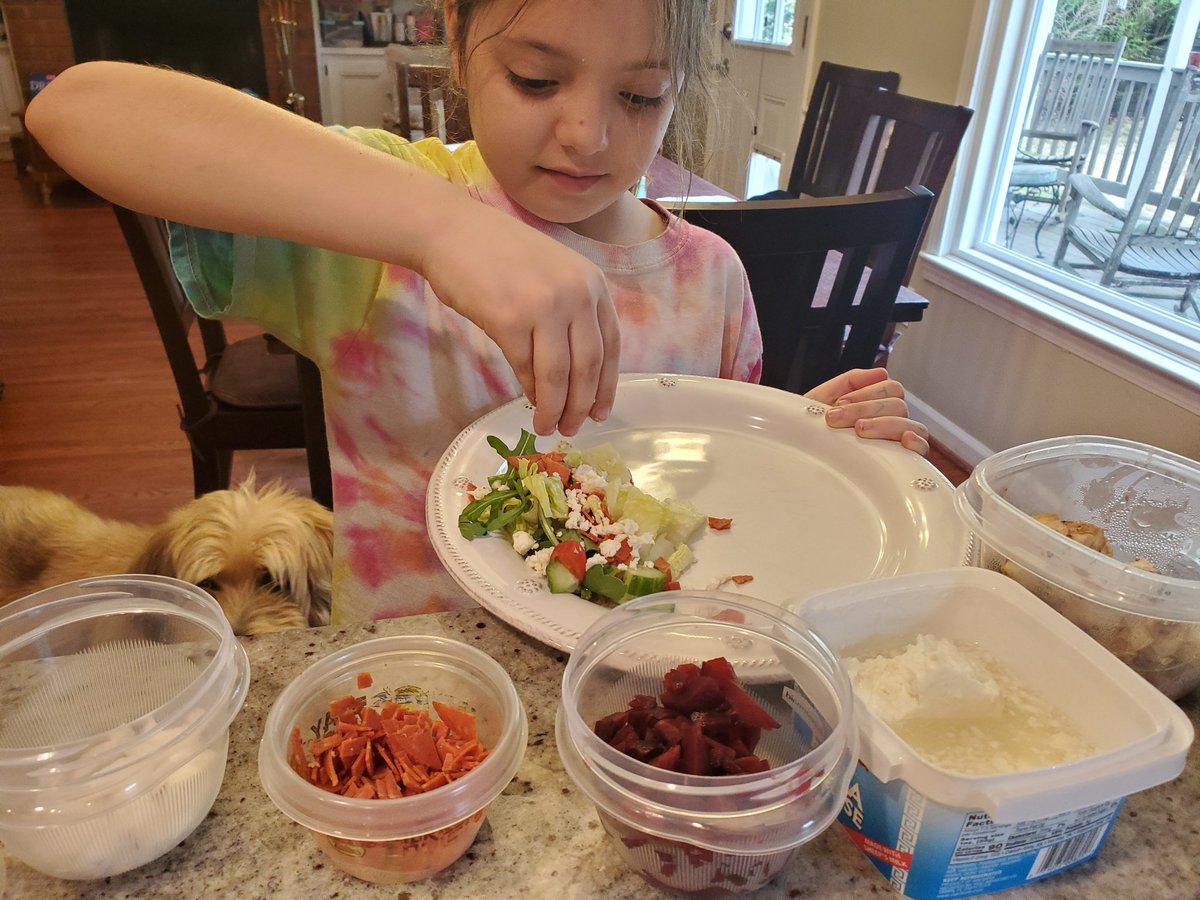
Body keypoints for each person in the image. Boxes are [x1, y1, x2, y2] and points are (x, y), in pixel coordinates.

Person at [26, 0, 931, 622]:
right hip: (417, 674)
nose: (588, 133)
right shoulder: (378, 227)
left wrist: (831, 448)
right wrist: (438, 229)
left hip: (626, 692)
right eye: (538, 80)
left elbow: (733, 501)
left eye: (639, 96)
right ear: (458, 46)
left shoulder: (715, 282)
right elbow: (77, 111)